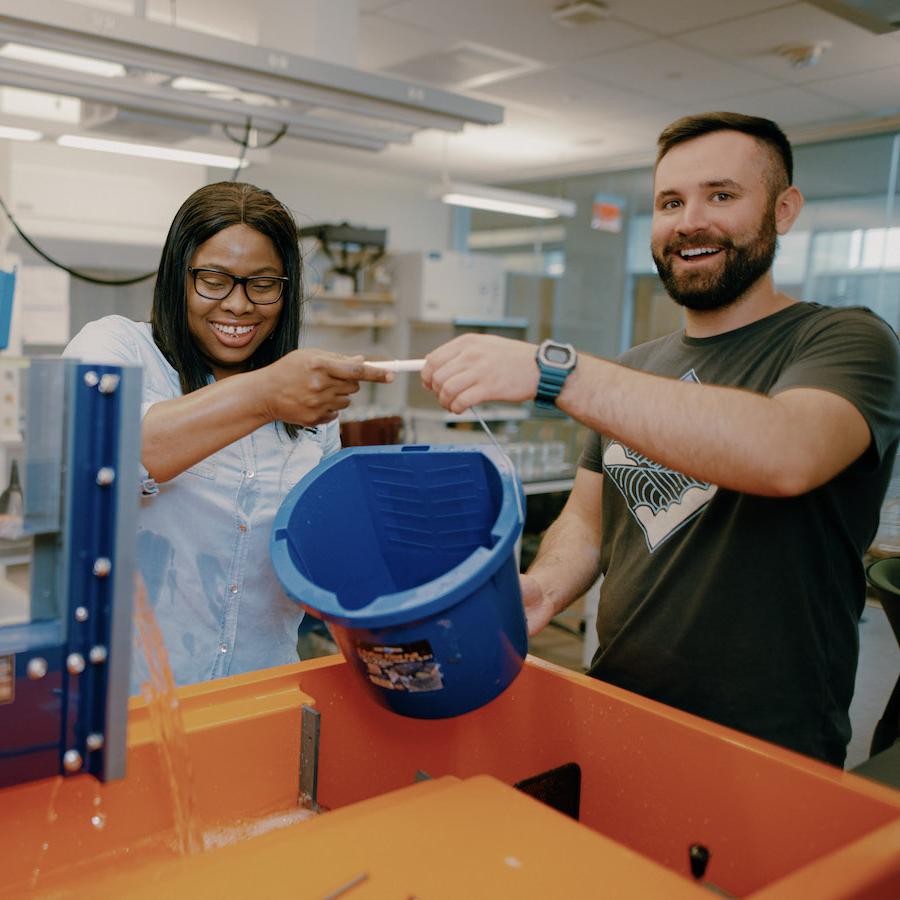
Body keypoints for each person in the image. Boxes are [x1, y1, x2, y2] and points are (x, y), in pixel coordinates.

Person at [421, 112, 900, 767]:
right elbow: (589, 523)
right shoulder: (636, 368)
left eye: (721, 196)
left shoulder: (845, 341)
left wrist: (554, 371)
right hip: (620, 705)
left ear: (783, 211)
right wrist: (546, 586)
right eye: (670, 202)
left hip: (766, 740)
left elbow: (787, 453)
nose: (689, 220)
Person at [64, 181, 390, 689]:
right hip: (129, 700)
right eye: (213, 280)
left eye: (262, 284)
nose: (239, 306)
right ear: (179, 276)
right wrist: (263, 396)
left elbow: (320, 552)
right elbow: (112, 454)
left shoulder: (309, 408)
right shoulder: (115, 348)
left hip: (260, 691)